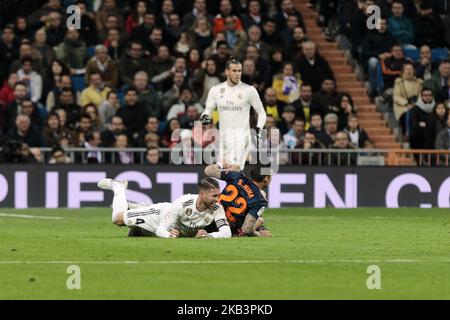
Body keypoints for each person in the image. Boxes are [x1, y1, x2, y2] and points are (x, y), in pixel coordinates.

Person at [97, 177, 231, 238]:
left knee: (135, 233)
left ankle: (141, 207)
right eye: (214, 196)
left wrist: (210, 235)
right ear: (202, 195)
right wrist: (169, 236)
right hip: (158, 216)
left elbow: (226, 233)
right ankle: (118, 187)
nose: (217, 200)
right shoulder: (182, 203)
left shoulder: (217, 208)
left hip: (170, 221)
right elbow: (161, 229)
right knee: (117, 219)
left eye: (218, 195)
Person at [200, 59, 266, 169]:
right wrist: (205, 117)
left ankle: (225, 172)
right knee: (225, 173)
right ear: (226, 72)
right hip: (223, 138)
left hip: (242, 137)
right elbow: (208, 110)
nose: (237, 74)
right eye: (234, 71)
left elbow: (262, 113)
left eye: (239, 71)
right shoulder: (216, 90)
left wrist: (259, 129)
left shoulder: (249, 90)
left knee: (233, 169)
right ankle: (235, 180)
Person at [204, 164, 272, 237]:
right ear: (266, 178)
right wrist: (259, 234)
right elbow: (247, 229)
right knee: (260, 220)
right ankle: (238, 233)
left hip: (208, 218)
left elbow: (208, 170)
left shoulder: (237, 176)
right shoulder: (260, 200)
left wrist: (221, 165)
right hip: (224, 228)